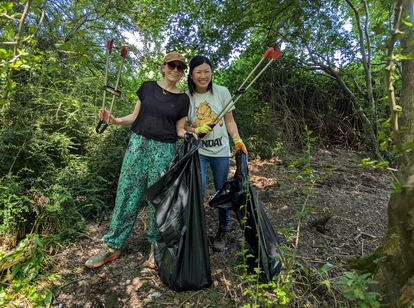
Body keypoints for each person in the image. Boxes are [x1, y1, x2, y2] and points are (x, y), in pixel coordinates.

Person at [85, 52, 193, 269]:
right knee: (127, 192)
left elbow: (179, 129)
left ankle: (156, 246)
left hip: (164, 150)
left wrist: (189, 134)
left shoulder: (183, 99)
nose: (176, 70)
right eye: (172, 65)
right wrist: (114, 120)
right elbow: (135, 117)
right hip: (138, 145)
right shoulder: (147, 88)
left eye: (181, 68)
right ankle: (113, 245)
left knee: (158, 198)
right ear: (163, 67)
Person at [185, 55, 247, 252]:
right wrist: (195, 130)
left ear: (211, 73)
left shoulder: (222, 92)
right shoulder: (186, 97)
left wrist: (237, 139)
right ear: (191, 75)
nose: (203, 76)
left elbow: (229, 120)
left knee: (222, 190)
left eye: (207, 71)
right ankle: (197, 230)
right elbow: (181, 126)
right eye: (198, 72)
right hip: (199, 151)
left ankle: (222, 229)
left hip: (220, 150)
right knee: (199, 189)